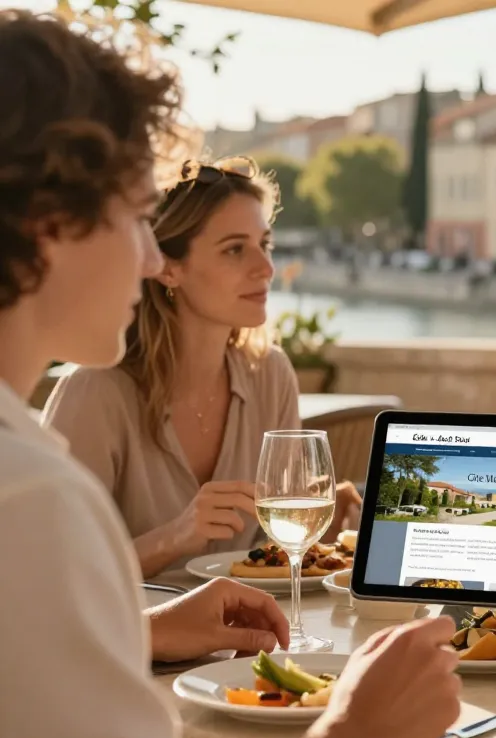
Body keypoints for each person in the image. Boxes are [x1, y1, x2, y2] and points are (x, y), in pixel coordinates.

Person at [0, 10, 459, 738]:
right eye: (137, 216)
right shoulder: (33, 501)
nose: (148, 260)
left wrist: (147, 628)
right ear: (53, 223)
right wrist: (359, 737)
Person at [41, 154, 362, 578]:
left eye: (264, 244)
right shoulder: (94, 393)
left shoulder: (270, 375)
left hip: (246, 638)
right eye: (234, 249)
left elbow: (264, 559)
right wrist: (176, 536)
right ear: (169, 266)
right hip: (133, 641)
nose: (265, 268)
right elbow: (52, 577)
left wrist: (316, 539)